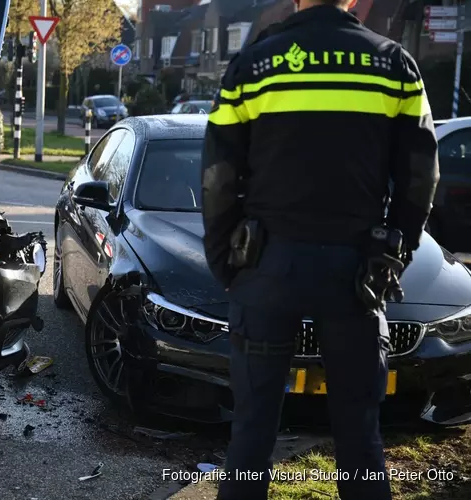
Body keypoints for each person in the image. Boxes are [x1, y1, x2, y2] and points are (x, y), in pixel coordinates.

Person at [200, 1, 440, 499]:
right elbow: (421, 175)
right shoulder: (394, 64)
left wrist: (226, 262)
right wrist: (394, 250)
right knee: (359, 437)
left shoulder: (254, 65)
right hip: (355, 271)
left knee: (250, 436)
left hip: (266, 268)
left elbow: (219, 178)